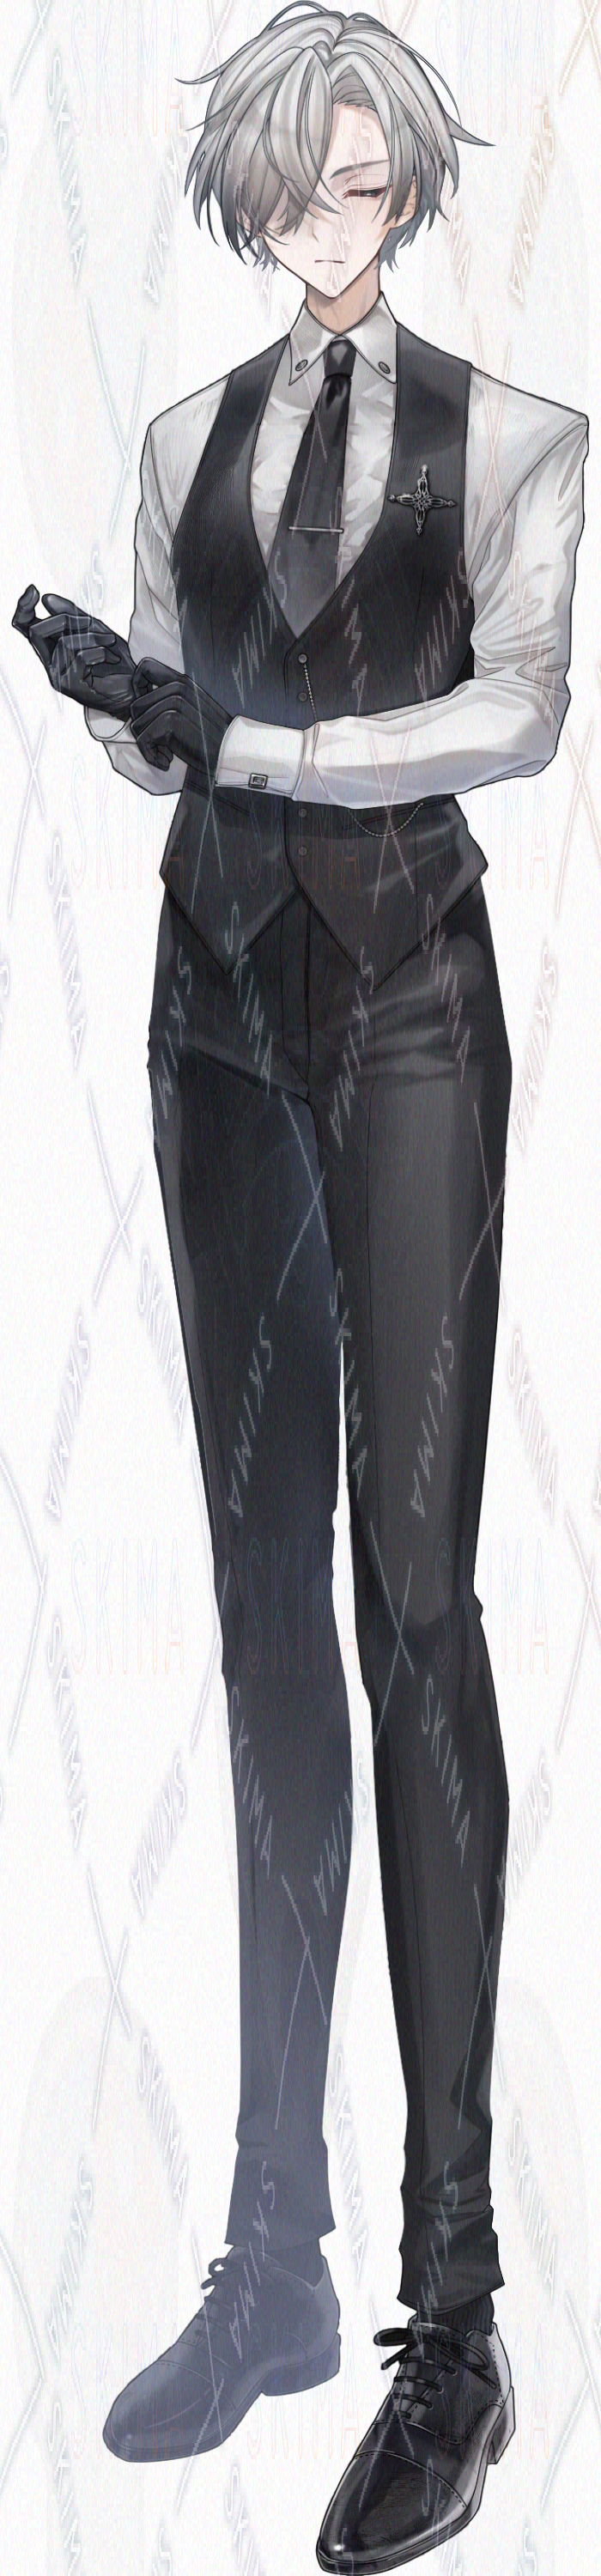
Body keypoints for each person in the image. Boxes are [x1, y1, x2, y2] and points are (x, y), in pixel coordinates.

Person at [14, 10, 588, 2564]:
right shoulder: (181, 447)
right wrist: (145, 712)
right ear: (245, 204)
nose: (322, 236)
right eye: (286, 196)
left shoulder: (519, 445)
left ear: (415, 192)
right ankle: (267, 2269)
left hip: (407, 1025)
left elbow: (499, 724)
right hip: (218, 1020)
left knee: (412, 1610)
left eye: (362, 189)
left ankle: (450, 2324)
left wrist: (232, 741)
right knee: (258, 1630)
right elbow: (174, 719)